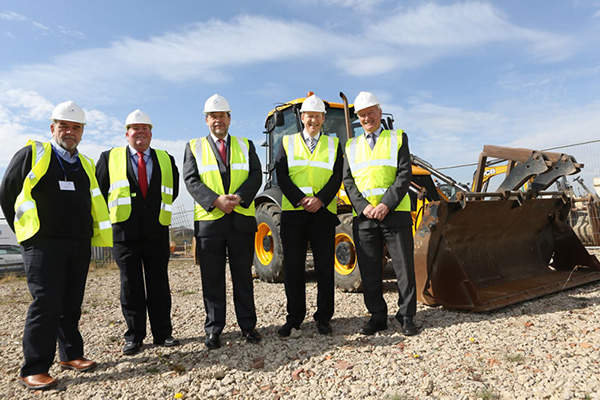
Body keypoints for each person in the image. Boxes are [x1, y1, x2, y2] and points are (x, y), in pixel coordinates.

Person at [0, 101, 112, 390]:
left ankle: (71, 354)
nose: (70, 132)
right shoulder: (33, 154)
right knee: (46, 302)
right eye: (64, 126)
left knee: (72, 302)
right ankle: (34, 368)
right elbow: (8, 191)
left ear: (82, 132)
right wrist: (25, 232)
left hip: (77, 243)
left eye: (76, 127)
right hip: (42, 244)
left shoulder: (85, 164)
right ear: (53, 128)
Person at [95, 109, 180, 355]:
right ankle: (134, 336)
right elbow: (100, 191)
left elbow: (172, 191)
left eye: (145, 128)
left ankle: (163, 334)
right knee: (130, 286)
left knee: (159, 284)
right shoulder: (109, 158)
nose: (140, 132)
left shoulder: (165, 158)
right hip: (124, 234)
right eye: (135, 128)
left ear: (151, 133)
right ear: (127, 133)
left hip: (156, 231)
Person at [183, 94, 262, 349]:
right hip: (211, 223)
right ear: (206, 120)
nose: (218, 120)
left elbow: (256, 175)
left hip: (240, 220)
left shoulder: (246, 145)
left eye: (222, 116)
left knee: (243, 278)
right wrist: (216, 201)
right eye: (213, 116)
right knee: (212, 279)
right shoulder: (194, 146)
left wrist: (239, 197)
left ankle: (248, 326)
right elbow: (191, 179)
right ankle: (214, 329)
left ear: (229, 118)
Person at [342, 91, 418, 336]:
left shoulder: (397, 138)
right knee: (369, 270)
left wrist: (386, 204)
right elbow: (348, 181)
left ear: (380, 112)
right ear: (358, 118)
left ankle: (406, 316)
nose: (367, 118)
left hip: (394, 213)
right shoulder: (351, 146)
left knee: (403, 268)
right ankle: (377, 316)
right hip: (365, 216)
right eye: (362, 115)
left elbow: (404, 174)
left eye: (371, 113)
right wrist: (363, 206)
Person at [274, 94, 343, 336]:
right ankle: (294, 318)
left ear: (323, 119)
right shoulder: (287, 142)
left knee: (325, 268)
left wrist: (321, 199)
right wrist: (301, 199)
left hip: (323, 213)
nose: (313, 120)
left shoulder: (334, 144)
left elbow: (337, 176)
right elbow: (281, 175)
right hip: (294, 213)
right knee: (294, 268)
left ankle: (323, 318)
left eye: (317, 116)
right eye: (309, 116)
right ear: (302, 118)